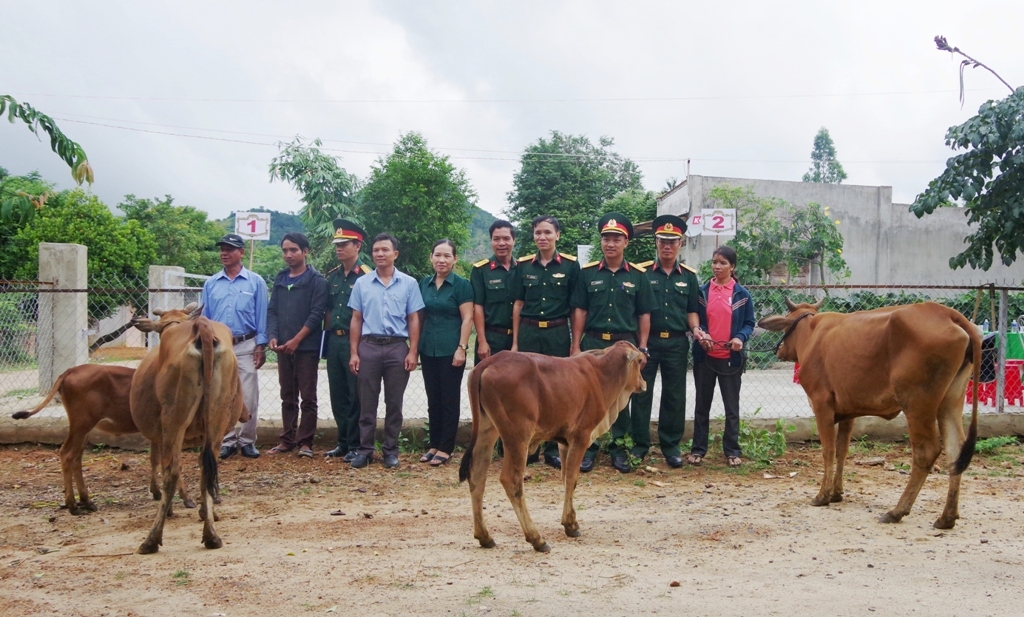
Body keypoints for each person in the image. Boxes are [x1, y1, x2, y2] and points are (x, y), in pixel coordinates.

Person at [570, 213, 655, 473]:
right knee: (589, 399)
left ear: (626, 242)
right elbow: (580, 311)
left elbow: (644, 314)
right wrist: (576, 346)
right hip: (594, 343)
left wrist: (642, 348)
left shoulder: (639, 276)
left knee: (621, 397)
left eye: (616, 239)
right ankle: (589, 448)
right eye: (606, 238)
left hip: (623, 348)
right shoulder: (587, 274)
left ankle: (618, 448)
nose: (610, 243)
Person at [631, 215, 703, 468]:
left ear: (681, 243)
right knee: (641, 392)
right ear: (656, 243)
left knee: (674, 395)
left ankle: (671, 445)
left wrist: (696, 329)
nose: (667, 246)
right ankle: (639, 444)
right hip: (647, 343)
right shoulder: (641, 274)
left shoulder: (689, 277)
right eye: (662, 241)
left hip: (675, 343)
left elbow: (692, 310)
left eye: (673, 242)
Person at [348, 233, 425, 469]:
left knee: (394, 403)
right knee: (367, 402)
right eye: (375, 250)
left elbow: (413, 318)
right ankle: (365, 450)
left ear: (395, 254)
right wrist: (354, 352)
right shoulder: (362, 283)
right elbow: (356, 318)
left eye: (384, 250)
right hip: (368, 347)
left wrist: (412, 352)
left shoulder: (409, 283)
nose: (379, 254)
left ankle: (391, 451)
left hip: (396, 348)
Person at [511, 215, 579, 469]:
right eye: (538, 232)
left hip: (557, 332)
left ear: (557, 235)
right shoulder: (524, 266)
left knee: (555, 391)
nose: (542, 237)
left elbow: (575, 308)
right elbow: (518, 304)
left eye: (547, 232)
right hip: (529, 332)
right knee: (527, 392)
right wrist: (516, 343)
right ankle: (528, 448)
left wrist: (574, 343)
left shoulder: (571, 267)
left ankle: (552, 447)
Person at [690, 245, 755, 467]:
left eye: (723, 263)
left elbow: (749, 323)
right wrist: (702, 334)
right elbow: (695, 320)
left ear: (732, 266)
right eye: (714, 262)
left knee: (731, 408)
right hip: (706, 357)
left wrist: (740, 338)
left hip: (730, 358)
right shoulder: (702, 292)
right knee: (702, 406)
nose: (717, 267)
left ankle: (732, 451)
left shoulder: (742, 294)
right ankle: (698, 450)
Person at [205, 233, 268, 460]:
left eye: (230, 249)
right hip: (219, 346)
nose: (224, 253)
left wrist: (260, 344)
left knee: (248, 394)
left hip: (246, 344)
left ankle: (248, 441)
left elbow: (262, 315)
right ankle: (228, 440)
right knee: (221, 393)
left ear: (241, 252)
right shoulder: (211, 283)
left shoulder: (255, 282)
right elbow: (206, 319)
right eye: (222, 249)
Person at [265, 232, 328, 458]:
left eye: (293, 250)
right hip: (283, 348)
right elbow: (272, 311)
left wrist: (296, 340)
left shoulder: (317, 281)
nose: (288, 255)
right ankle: (287, 439)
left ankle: (305, 442)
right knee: (287, 395)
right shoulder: (281, 279)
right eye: (285, 250)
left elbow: (316, 315)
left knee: (308, 397)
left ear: (305, 252)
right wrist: (273, 335)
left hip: (307, 349)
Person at [418, 239, 474, 466]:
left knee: (449, 399)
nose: (442, 260)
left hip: (451, 350)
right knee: (433, 398)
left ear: (455, 259)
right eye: (437, 255)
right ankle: (434, 443)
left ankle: (446, 447)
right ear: (431, 257)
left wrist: (461, 348)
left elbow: (467, 317)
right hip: (427, 349)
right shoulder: (424, 284)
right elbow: (418, 316)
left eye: (447, 256)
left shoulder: (461, 285)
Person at [323, 219, 372, 462]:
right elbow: (329, 311)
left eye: (344, 244)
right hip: (335, 341)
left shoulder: (366, 276)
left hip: (357, 342)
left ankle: (356, 443)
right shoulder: (332, 277)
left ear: (358, 246)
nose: (338, 249)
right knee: (338, 393)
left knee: (356, 395)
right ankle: (342, 442)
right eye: (337, 244)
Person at [470, 220, 517, 363]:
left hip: (519, 339)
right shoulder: (481, 270)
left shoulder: (523, 269)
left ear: (514, 240)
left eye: (506, 239)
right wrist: (482, 341)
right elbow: (477, 307)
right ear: (491, 241)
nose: (501, 243)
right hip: (492, 338)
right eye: (496, 239)